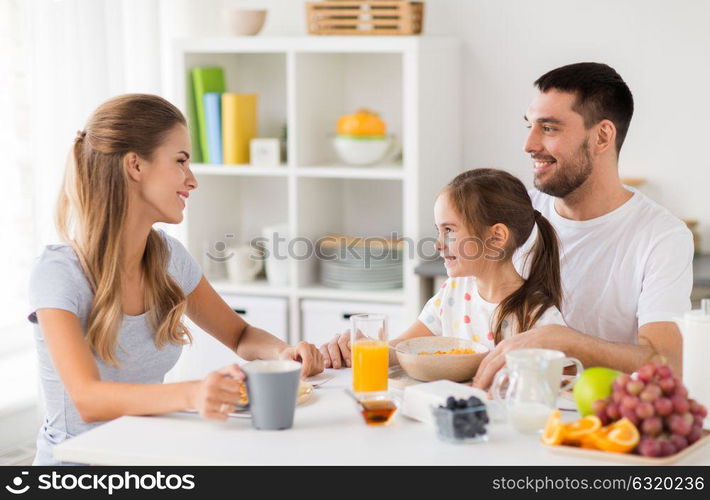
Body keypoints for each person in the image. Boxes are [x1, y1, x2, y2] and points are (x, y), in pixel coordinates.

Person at [27, 94, 323, 465]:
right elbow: (89, 399)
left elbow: (240, 335)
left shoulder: (167, 258)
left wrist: (282, 354)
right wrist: (194, 394)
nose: (192, 180)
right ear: (135, 165)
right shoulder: (59, 273)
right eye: (181, 161)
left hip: (148, 458)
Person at [472, 62, 693, 389]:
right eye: (530, 125)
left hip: (599, 422)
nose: (529, 144)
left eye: (548, 128)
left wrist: (566, 341)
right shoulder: (517, 211)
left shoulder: (662, 237)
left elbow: (667, 364)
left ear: (602, 136)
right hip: (508, 408)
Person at [320, 168, 567, 368]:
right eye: (439, 230)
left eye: (449, 230)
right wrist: (363, 347)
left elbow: (558, 386)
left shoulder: (540, 318)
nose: (438, 244)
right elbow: (401, 350)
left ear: (496, 237)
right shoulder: (453, 293)